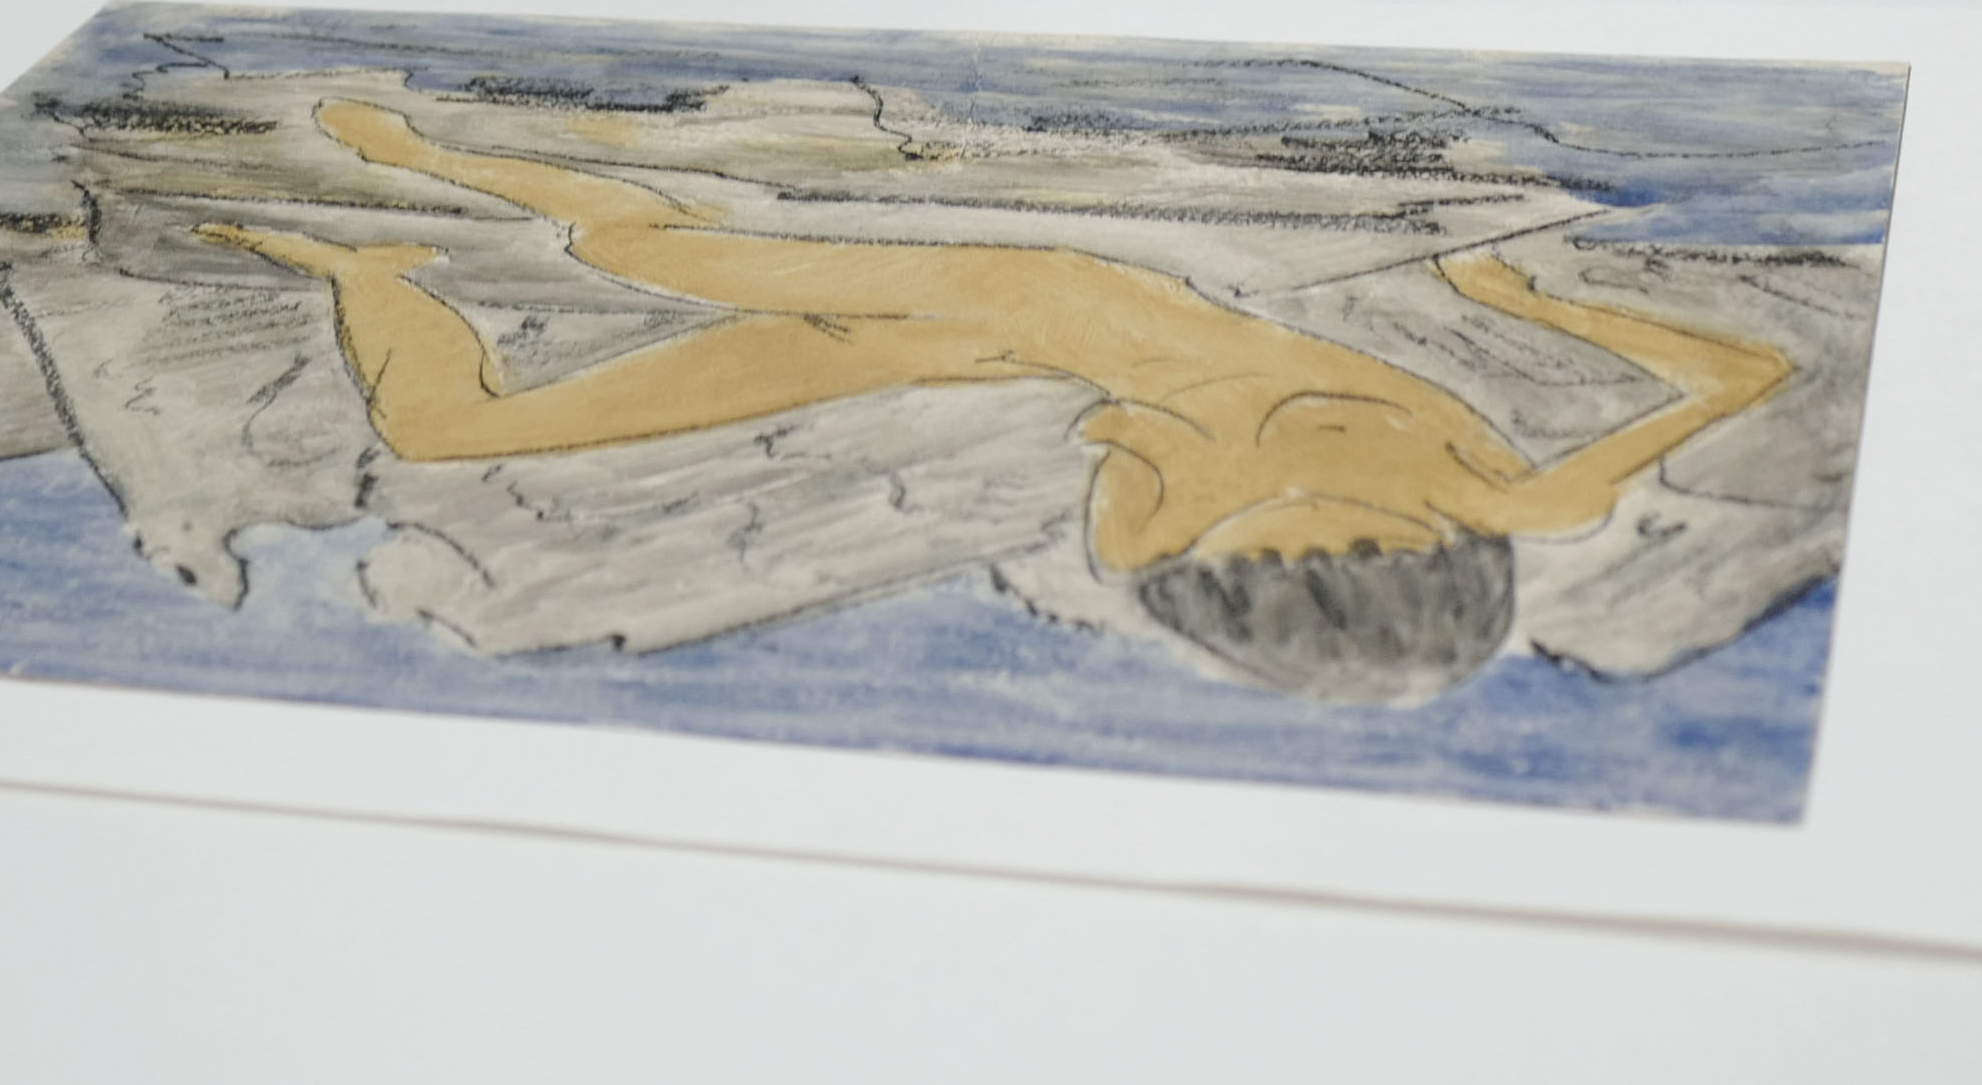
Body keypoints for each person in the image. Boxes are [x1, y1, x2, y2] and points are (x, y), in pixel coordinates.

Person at [209, 92, 1789, 705]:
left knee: (446, 430)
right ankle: (421, 151)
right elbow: (1751, 370)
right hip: (1057, 301)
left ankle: (366, 267)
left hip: (1002, 355)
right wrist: (1533, 303)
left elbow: (1111, 451)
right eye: (1316, 486)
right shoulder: (1527, 501)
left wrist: (1124, 437)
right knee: (642, 244)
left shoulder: (1162, 563)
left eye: (1230, 522)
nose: (1241, 492)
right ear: (1422, 540)